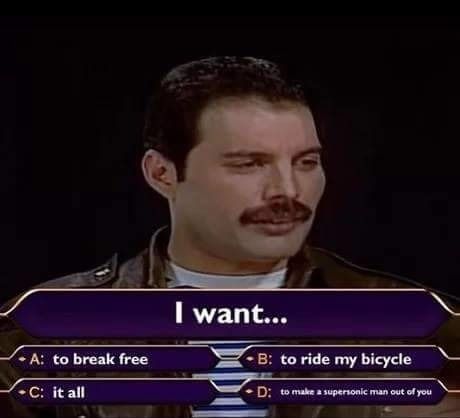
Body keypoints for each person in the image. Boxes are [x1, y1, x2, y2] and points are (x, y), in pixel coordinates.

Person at [0, 56, 459, 417]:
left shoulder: (424, 330)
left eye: (306, 162)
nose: (288, 191)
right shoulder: (44, 334)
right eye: (249, 164)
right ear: (162, 173)